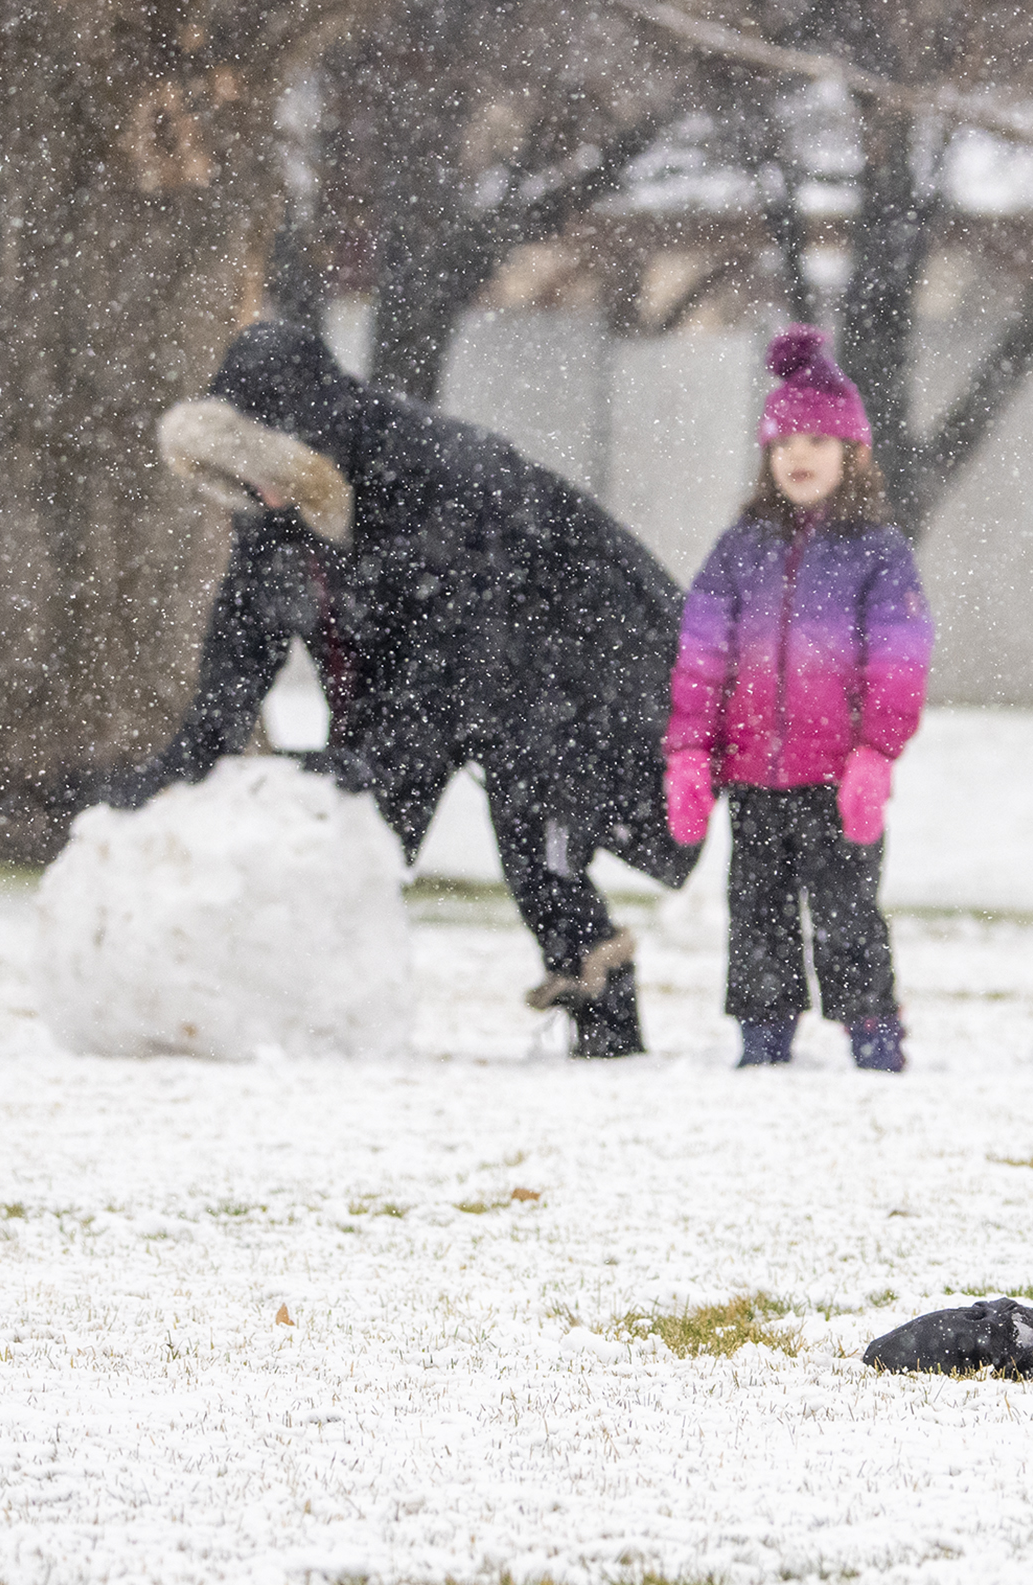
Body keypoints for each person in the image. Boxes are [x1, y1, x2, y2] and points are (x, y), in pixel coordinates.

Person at [117, 321, 699, 1058]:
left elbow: (468, 651)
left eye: (264, 463)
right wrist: (191, 756)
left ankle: (607, 1028)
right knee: (358, 829)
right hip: (437, 672)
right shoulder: (277, 504)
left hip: (571, 658)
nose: (257, 487)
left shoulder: (440, 472)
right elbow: (244, 639)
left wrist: (379, 752)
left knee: (538, 836)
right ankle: (311, 1012)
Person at [662, 325, 934, 1072]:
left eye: (818, 440)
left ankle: (874, 1033)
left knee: (847, 915)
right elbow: (702, 656)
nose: (800, 456)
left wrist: (876, 753)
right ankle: (763, 1036)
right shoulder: (739, 548)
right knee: (756, 912)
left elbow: (900, 659)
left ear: (852, 454)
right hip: (754, 777)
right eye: (785, 443)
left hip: (836, 778)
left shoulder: (877, 551)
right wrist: (690, 752)